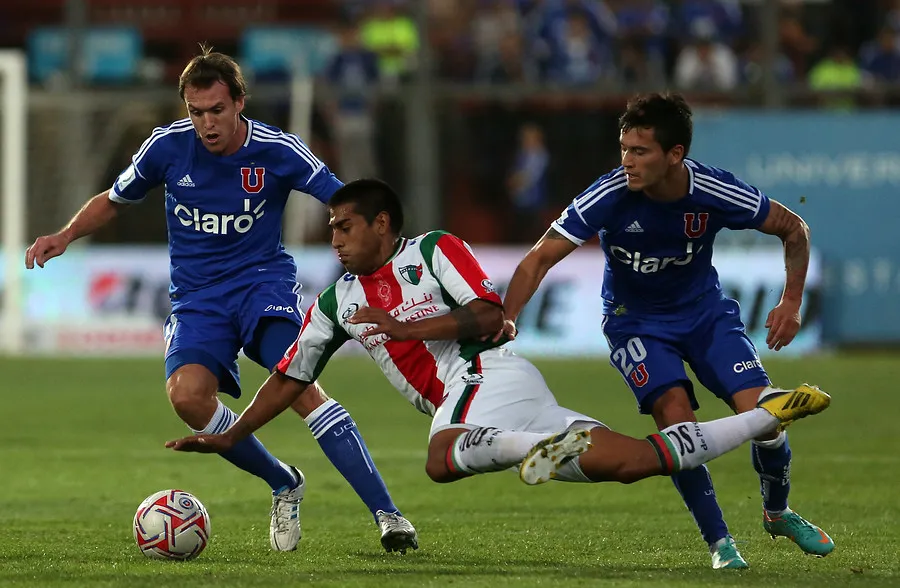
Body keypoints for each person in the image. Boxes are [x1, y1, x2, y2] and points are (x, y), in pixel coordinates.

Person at [164, 179, 830, 517]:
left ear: (381, 225)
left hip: (484, 375)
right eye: (331, 230)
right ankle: (768, 415)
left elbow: (488, 315)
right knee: (631, 463)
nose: (333, 239)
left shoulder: (435, 251)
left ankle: (531, 447)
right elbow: (289, 378)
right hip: (496, 399)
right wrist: (233, 435)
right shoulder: (336, 302)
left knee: (439, 458)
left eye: (344, 228)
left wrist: (406, 330)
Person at [24, 47, 417, 554]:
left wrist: (382, 255)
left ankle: (389, 515)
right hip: (197, 299)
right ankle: (284, 482)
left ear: (239, 103)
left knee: (301, 389)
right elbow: (115, 200)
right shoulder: (167, 147)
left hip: (262, 286)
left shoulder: (278, 150)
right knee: (187, 398)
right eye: (196, 112)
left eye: (216, 110)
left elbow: (345, 202)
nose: (206, 123)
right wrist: (65, 235)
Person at [496, 92, 834, 568]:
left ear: (675, 154)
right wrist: (509, 315)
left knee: (767, 417)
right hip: (634, 323)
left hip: (705, 315)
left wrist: (792, 302)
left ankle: (777, 513)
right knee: (678, 426)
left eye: (640, 151)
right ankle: (721, 545)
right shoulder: (608, 194)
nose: (627, 162)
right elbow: (538, 258)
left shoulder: (715, 190)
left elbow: (794, 228)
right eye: (623, 149)